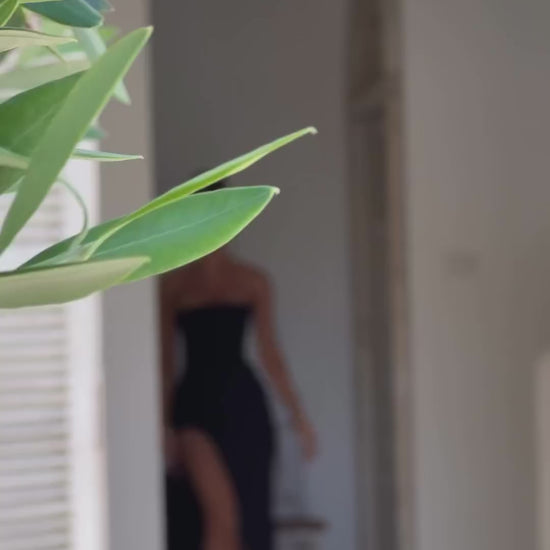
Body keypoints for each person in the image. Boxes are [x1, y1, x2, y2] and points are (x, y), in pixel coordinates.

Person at [159, 180, 317, 550]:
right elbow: (164, 361)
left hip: (244, 404)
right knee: (215, 518)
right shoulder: (174, 286)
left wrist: (299, 417)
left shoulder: (253, 280)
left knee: (250, 518)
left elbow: (270, 353)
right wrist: (162, 425)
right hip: (195, 406)